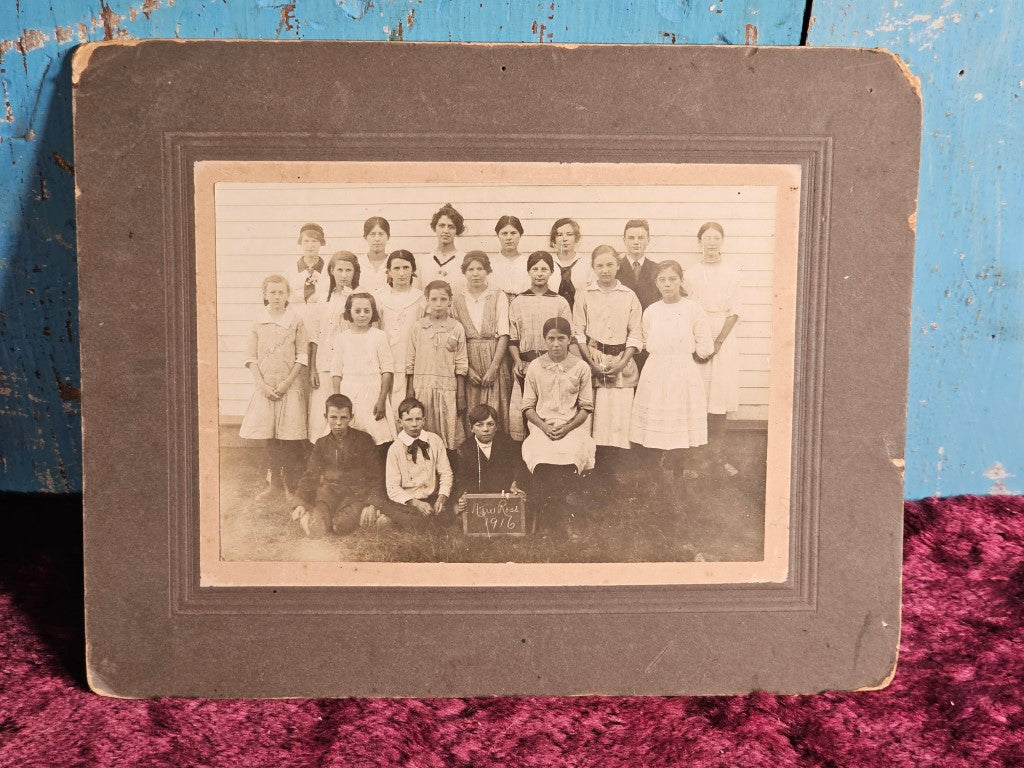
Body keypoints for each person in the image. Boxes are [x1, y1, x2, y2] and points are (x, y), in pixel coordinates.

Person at [629, 261, 714, 502]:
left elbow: (705, 346)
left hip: (682, 371)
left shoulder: (693, 309)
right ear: (656, 283)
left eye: (672, 279)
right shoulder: (651, 311)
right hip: (655, 370)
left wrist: (687, 357)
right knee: (656, 423)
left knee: (678, 423)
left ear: (680, 281)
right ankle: (656, 479)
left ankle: (678, 475)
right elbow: (645, 341)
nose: (667, 284)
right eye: (662, 280)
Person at [521, 317, 596, 535]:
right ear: (544, 340)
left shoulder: (581, 367)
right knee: (541, 451)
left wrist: (568, 427)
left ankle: (566, 515)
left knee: (572, 452)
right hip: (542, 427)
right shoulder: (535, 366)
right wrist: (544, 427)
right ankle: (546, 515)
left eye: (561, 338)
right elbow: (527, 407)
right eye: (551, 339)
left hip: (571, 427)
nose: (556, 344)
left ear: (569, 339)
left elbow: (586, 407)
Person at [238, 274, 309, 501]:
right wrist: (263, 385)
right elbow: (250, 357)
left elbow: (302, 355)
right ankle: (274, 485)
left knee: (288, 438)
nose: (277, 297)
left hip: (289, 386)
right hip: (266, 388)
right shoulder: (258, 321)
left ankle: (290, 485)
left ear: (288, 295)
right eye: (272, 292)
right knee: (270, 436)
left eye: (281, 292)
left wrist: (287, 383)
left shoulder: (295, 320)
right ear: (265, 294)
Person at [573, 245, 642, 468]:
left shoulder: (628, 295)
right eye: (599, 265)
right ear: (593, 267)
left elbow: (636, 334)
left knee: (620, 418)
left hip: (622, 361)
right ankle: (594, 470)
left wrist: (622, 363)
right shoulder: (585, 294)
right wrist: (590, 362)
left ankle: (619, 471)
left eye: (609, 264)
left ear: (618, 266)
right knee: (596, 418)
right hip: (593, 360)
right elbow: (579, 332)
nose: (605, 270)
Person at [684, 221, 743, 475]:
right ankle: (694, 462)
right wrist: (700, 343)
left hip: (723, 338)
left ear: (722, 241)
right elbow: (687, 309)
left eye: (715, 238)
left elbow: (735, 311)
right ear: (700, 242)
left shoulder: (732, 272)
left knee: (718, 398)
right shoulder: (691, 273)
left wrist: (717, 341)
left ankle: (719, 460)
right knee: (698, 398)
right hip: (697, 335)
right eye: (706, 238)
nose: (711, 243)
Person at [290, 394, 384, 537]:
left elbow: (376, 476)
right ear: (325, 416)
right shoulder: (321, 443)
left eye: (343, 418)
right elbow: (311, 475)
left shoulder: (364, 440)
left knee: (340, 526)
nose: (338, 423)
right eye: (333, 417)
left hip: (355, 494)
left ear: (351, 417)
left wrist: (372, 503)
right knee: (318, 528)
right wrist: (300, 503)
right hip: (329, 494)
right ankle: (310, 515)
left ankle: (361, 515)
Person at [507, 251, 573, 440]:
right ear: (528, 271)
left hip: (553, 363)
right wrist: (518, 361)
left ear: (551, 272)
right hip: (525, 364)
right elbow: (513, 339)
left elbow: (567, 337)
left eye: (544, 269)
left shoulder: (560, 302)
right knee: (526, 412)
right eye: (535, 269)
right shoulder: (518, 301)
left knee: (550, 413)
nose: (539, 273)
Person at [451, 251, 513, 435]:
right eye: (471, 269)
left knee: (496, 408)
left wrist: (494, 368)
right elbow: (455, 338)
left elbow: (504, 334)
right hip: (468, 360)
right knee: (472, 410)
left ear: (487, 272)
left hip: (494, 359)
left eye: (480, 269)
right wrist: (467, 369)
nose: (475, 273)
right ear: (464, 272)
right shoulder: (457, 299)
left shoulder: (497, 296)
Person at [406, 280, 468, 451]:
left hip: (447, 389)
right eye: (433, 299)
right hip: (422, 388)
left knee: (447, 434)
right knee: (424, 432)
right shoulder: (418, 327)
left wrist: (460, 395)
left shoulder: (456, 328)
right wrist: (410, 390)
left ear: (450, 301)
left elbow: (461, 364)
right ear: (427, 300)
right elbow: (410, 362)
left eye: (443, 299)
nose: (438, 304)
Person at [330, 292, 397, 447]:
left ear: (373, 313)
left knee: (376, 435)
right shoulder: (341, 338)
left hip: (372, 392)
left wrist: (381, 400)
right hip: (349, 391)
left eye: (367, 311)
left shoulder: (379, 336)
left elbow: (387, 370)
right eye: (357, 311)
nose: (362, 315)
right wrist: (338, 401)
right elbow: (336, 371)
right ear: (349, 312)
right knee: (350, 435)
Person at [306, 251, 357, 442]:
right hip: (324, 365)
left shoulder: (357, 298)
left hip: (349, 366)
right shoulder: (321, 300)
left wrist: (350, 299)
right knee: (322, 418)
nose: (344, 275)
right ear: (332, 271)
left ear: (354, 272)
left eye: (348, 270)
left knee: (344, 415)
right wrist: (312, 368)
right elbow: (315, 336)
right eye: (339, 270)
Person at [381, 397, 454, 530]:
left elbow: (446, 473)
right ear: (399, 422)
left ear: (424, 420)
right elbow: (392, 487)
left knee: (446, 519)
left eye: (418, 419)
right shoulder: (395, 449)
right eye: (409, 420)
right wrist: (415, 503)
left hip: (432, 497)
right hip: (408, 501)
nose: (414, 424)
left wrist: (441, 497)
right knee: (411, 521)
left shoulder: (435, 441)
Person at [374, 250, 425, 405]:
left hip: (410, 361)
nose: (401, 273)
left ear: (413, 270)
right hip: (385, 361)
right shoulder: (380, 298)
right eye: (396, 268)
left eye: (406, 268)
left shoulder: (421, 299)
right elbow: (375, 332)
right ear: (389, 272)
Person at [454, 404, 525, 513]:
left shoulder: (506, 441)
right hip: (479, 499)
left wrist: (515, 482)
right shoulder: (465, 449)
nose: (485, 429)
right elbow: (463, 479)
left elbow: (517, 465)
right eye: (479, 425)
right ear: (471, 427)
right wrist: (462, 496)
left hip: (504, 495)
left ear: (496, 426)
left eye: (490, 424)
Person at [418, 203, 467, 294]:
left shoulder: (465, 260)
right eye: (441, 225)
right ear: (435, 228)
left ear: (457, 230)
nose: (445, 231)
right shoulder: (423, 262)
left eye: (451, 227)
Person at [548, 217, 593, 309]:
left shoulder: (587, 264)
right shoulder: (548, 263)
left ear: (576, 238)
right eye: (559, 235)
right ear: (554, 239)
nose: (564, 239)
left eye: (569, 234)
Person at [617, 218, 662, 309]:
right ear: (624, 240)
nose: (636, 242)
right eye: (631, 238)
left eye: (640, 238)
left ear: (648, 241)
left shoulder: (657, 269)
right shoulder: (616, 268)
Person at [290, 222, 329, 314]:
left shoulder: (329, 269)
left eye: (314, 241)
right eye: (306, 241)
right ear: (301, 243)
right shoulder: (290, 270)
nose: (310, 245)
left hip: (322, 318)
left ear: (321, 243)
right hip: (297, 319)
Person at [490, 215, 530, 297]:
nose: (509, 238)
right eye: (504, 233)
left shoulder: (528, 262)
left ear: (520, 235)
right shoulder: (490, 263)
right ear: (498, 236)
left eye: (513, 233)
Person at [358, 216, 392, 295]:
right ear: (365, 237)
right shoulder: (358, 263)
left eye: (381, 234)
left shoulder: (394, 263)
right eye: (372, 234)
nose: (377, 239)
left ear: (388, 237)